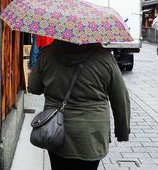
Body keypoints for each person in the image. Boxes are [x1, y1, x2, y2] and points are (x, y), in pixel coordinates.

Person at [28, 40, 130, 170]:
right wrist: (122, 131)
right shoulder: (104, 57)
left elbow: (34, 88)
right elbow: (120, 97)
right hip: (91, 136)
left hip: (55, 132)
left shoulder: (47, 54)